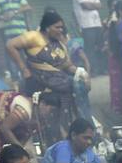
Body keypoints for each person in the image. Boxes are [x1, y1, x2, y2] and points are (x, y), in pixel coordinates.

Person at [8, 11, 77, 141]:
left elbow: (67, 66)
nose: (61, 30)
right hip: (41, 87)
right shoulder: (34, 37)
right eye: (57, 27)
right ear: (47, 27)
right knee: (49, 128)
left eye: (62, 27)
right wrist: (24, 69)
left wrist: (80, 73)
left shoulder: (59, 43)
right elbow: (10, 45)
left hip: (62, 88)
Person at [72, 0, 104, 73]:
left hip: (97, 24)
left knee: (100, 47)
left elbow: (100, 5)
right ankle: (93, 71)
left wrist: (92, 5)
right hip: (87, 25)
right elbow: (85, 6)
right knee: (90, 49)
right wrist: (94, 5)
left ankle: (102, 69)